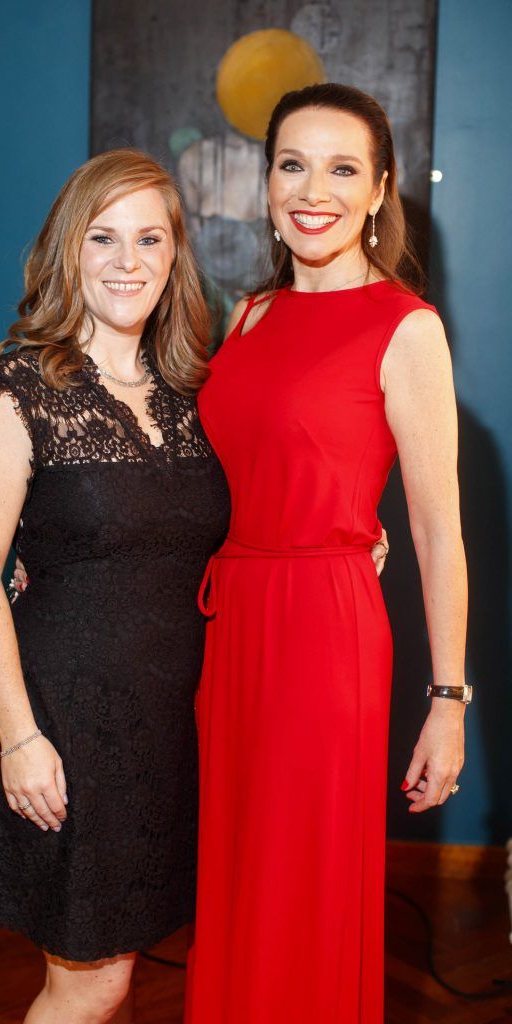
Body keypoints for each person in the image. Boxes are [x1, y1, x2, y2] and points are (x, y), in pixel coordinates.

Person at [185, 84, 469, 1024]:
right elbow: (217, 478)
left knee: (301, 887)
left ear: (381, 189)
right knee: (234, 875)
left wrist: (449, 702)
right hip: (232, 631)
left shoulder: (406, 326)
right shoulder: (247, 318)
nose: (315, 190)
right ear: (267, 180)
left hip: (322, 634)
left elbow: (436, 531)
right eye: (293, 164)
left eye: (344, 168)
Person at [0, 149, 232, 1024]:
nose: (127, 260)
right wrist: (21, 737)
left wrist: (353, 533)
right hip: (64, 724)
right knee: (92, 979)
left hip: (170, 729)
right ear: (69, 249)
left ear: (175, 256)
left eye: (150, 238)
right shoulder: (15, 389)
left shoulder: (195, 390)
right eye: (103, 237)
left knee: (126, 966)